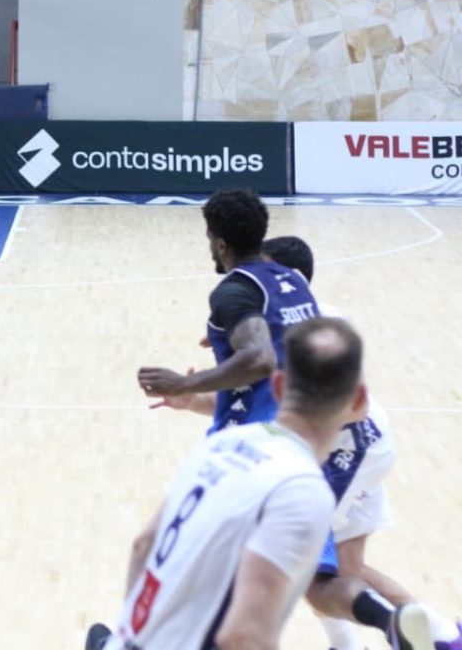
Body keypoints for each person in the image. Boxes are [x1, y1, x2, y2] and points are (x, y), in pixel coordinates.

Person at [137, 190, 440, 648]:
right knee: (321, 580)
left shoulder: (236, 292)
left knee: (192, 556)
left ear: (219, 242)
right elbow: (273, 368)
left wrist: (184, 383)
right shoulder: (293, 288)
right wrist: (205, 384)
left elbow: (260, 360)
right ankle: (391, 622)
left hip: (260, 455)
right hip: (305, 452)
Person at [89, 318, 379, 649]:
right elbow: (243, 637)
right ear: (359, 400)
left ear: (279, 386)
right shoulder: (303, 491)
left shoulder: (222, 442)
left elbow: (143, 545)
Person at [260, 237, 462, 650]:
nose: (254, 281)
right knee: (345, 570)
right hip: (352, 451)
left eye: (264, 271)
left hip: (350, 453)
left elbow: (355, 406)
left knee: (309, 566)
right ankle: (444, 635)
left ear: (290, 278)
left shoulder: (319, 328)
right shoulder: (272, 324)